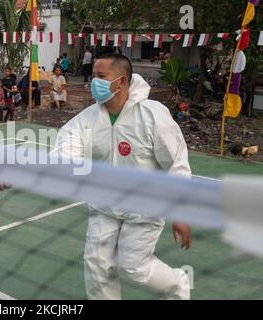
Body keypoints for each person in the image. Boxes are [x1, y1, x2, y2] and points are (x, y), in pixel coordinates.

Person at [54, 53, 192, 300]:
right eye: (93, 76)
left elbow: (176, 164)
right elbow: (65, 151)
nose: (93, 82)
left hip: (145, 208)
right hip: (104, 206)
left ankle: (177, 284)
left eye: (100, 76)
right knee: (96, 265)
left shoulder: (152, 114)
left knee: (133, 268)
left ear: (122, 81)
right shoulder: (89, 117)